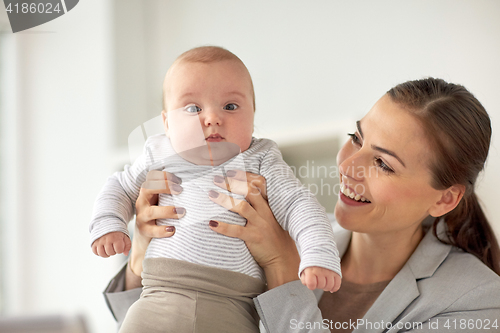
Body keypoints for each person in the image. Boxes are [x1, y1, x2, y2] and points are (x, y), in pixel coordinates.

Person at [103, 77, 500, 332]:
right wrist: (143, 252)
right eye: (357, 137)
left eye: (382, 163)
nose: (348, 166)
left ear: (444, 198)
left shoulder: (477, 303)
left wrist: (280, 268)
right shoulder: (284, 229)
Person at [89, 46, 342, 333]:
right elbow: (118, 186)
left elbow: (300, 205)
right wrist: (110, 222)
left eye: (230, 106)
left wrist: (317, 254)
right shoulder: (157, 152)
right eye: (193, 108)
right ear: (166, 123)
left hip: (234, 307)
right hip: (158, 298)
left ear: (253, 116)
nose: (212, 118)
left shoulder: (262, 158)